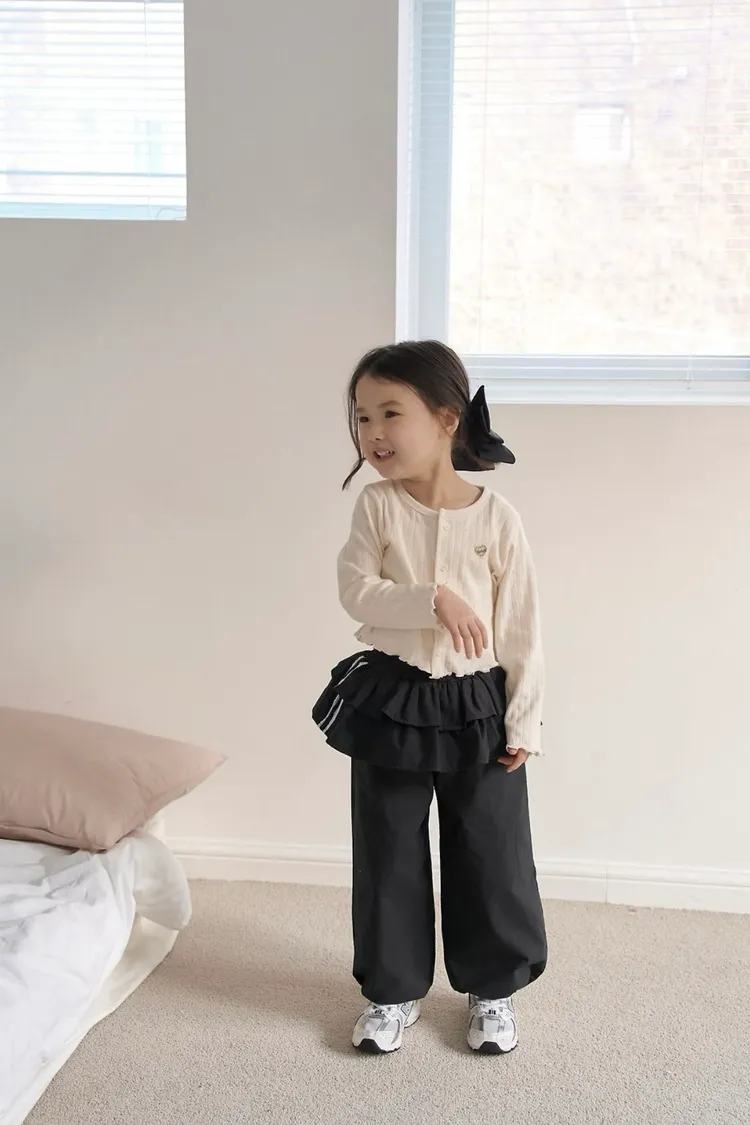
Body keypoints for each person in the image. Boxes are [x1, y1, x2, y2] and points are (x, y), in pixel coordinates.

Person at [312, 340, 547, 1056]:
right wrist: (433, 598)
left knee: (490, 850)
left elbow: (522, 629)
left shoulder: (498, 518)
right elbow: (357, 591)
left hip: (479, 705)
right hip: (394, 699)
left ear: (447, 419)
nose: (373, 432)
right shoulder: (376, 507)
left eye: (391, 413)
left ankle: (492, 988)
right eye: (362, 417)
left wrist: (525, 720)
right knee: (387, 846)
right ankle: (392, 990)